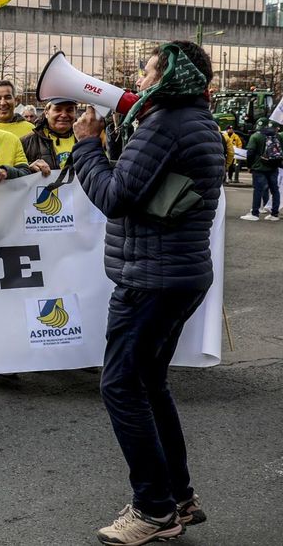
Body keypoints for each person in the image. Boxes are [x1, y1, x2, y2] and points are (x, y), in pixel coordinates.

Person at [71, 41, 222, 544]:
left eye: (149, 68)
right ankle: (177, 495)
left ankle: (155, 509)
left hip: (151, 280)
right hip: (178, 274)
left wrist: (88, 145)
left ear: (170, 76)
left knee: (119, 386)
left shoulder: (166, 124)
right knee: (150, 384)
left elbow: (115, 197)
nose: (140, 75)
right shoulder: (192, 120)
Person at [241, 117, 282, 221]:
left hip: (259, 167)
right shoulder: (277, 136)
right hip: (273, 166)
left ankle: (255, 213)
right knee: (275, 190)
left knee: (258, 190)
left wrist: (249, 166)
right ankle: (274, 214)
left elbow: (250, 152)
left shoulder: (255, 136)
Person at [21, 97, 79, 170]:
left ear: (76, 112)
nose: (64, 115)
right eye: (58, 109)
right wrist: (28, 169)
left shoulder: (85, 141)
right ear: (46, 112)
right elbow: (15, 174)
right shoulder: (27, 142)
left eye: (69, 110)